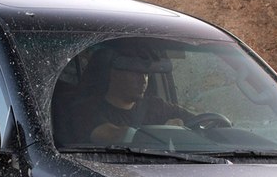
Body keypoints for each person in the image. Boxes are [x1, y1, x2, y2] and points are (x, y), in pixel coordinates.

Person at [63, 44, 196, 145]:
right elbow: (113, 135)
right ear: (114, 74)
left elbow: (199, 121)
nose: (143, 80)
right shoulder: (86, 109)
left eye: (146, 74)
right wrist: (164, 133)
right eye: (135, 73)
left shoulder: (156, 106)